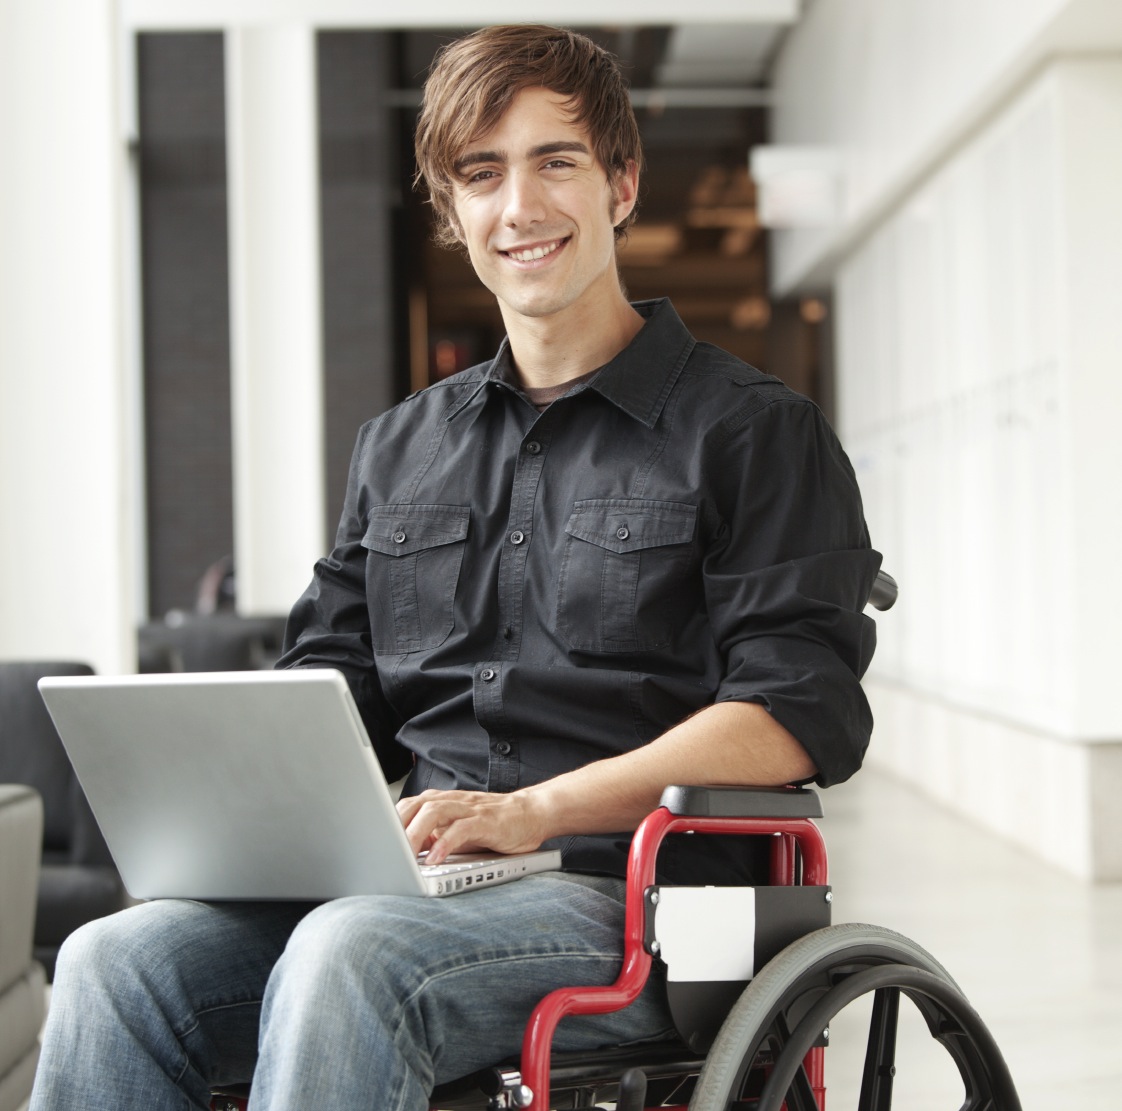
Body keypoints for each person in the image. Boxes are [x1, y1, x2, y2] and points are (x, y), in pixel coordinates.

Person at [29, 24, 881, 1111]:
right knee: (114, 962)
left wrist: (535, 810)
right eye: (482, 174)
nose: (518, 207)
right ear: (454, 212)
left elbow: (797, 712)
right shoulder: (400, 447)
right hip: (421, 886)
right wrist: (243, 789)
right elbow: (332, 688)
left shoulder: (753, 432)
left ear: (622, 183)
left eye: (554, 161)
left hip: (636, 900)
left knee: (350, 951)